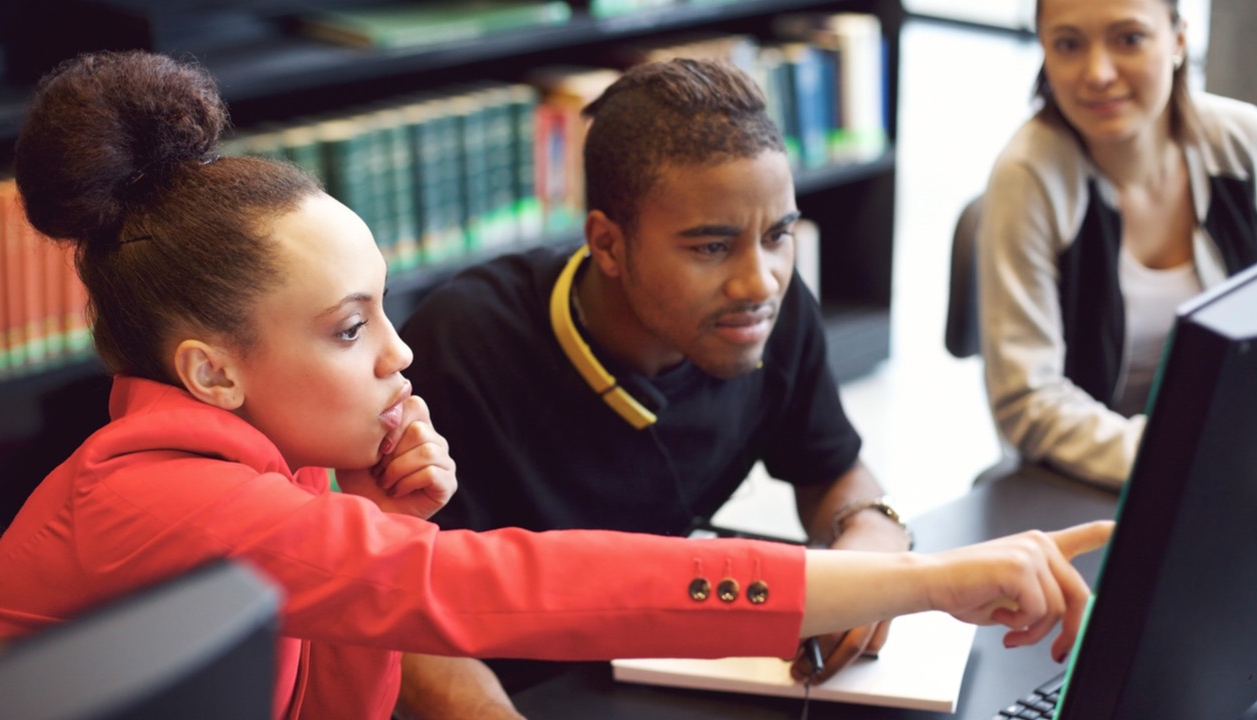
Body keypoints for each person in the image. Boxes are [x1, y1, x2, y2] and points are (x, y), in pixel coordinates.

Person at [0, 50, 1112, 720]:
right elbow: (506, 588)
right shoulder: (164, 500)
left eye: (383, 306)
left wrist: (372, 519)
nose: (401, 351)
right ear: (210, 371)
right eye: (349, 328)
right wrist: (924, 584)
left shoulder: (269, 478)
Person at [396, 58, 931, 716]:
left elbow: (830, 467)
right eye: (712, 247)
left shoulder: (771, 316)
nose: (760, 281)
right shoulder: (461, 346)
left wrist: (871, 541)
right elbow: (400, 617)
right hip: (515, 687)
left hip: (654, 667)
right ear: (609, 246)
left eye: (778, 236)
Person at [977, 0, 1257, 487]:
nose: (1098, 73)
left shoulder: (1243, 142)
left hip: (1228, 461)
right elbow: (1026, 401)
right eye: (1068, 44)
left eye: (1129, 38)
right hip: (1089, 480)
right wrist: (1177, 458)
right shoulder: (1028, 176)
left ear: (1178, 39)